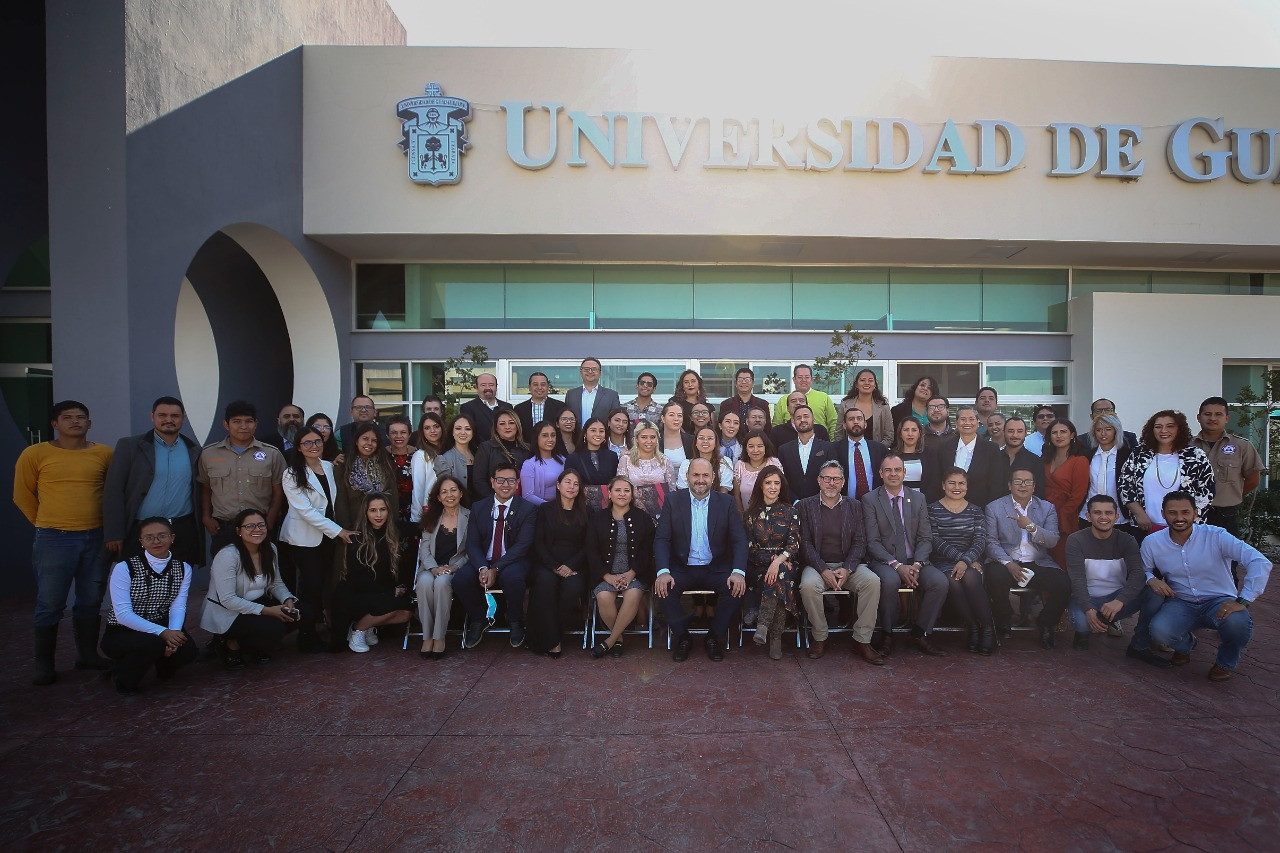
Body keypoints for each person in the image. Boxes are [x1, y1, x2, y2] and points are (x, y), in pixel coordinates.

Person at [15, 400, 115, 684]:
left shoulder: (104, 453)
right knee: (50, 602)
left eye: (81, 417)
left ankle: (86, 656)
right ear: (55, 424)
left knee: (91, 599)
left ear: (90, 423)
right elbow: (22, 495)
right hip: (54, 538)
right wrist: (45, 524)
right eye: (67, 417)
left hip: (96, 536)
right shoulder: (35, 453)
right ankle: (44, 665)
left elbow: (112, 492)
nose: (75, 422)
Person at [1137, 491, 1271, 680]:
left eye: (1185, 512)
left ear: (1195, 513)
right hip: (1181, 602)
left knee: (1238, 623)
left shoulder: (1216, 536)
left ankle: (1225, 663)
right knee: (1160, 631)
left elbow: (1259, 561)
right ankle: (1186, 646)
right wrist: (1151, 578)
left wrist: (1244, 600)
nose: (1179, 518)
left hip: (1219, 601)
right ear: (1163, 513)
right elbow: (1141, 570)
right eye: (1172, 513)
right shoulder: (1152, 542)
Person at [654, 458, 749, 661]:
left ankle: (713, 637)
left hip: (715, 567)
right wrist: (663, 572)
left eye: (705, 475)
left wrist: (738, 572)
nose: (700, 480)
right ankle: (684, 637)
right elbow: (662, 539)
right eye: (695, 475)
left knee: (736, 589)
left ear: (713, 478)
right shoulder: (672, 501)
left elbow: (739, 540)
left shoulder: (726, 502)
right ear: (687, 477)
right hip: (683, 567)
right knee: (663, 590)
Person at [796, 460, 882, 664]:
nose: (831, 483)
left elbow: (860, 542)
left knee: (872, 582)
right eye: (827, 478)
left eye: (836, 479)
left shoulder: (855, 506)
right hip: (817, 565)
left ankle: (861, 640)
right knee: (807, 586)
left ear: (843, 482)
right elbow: (805, 544)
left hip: (848, 565)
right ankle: (820, 636)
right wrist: (823, 569)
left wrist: (848, 569)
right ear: (819, 480)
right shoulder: (805, 506)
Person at [278, 424, 355, 652]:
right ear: (299, 447)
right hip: (304, 539)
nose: (314, 446)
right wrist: (338, 531)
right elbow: (306, 511)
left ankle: (324, 628)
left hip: (328, 538)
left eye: (318, 441)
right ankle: (306, 634)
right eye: (308, 443)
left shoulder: (330, 467)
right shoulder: (291, 474)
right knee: (309, 588)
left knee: (326, 585)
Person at [100, 517, 197, 694]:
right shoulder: (125, 568)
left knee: (188, 650)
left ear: (172, 537)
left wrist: (173, 634)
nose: (156, 541)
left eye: (162, 536)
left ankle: (163, 665)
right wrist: (164, 633)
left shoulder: (183, 568)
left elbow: (178, 606)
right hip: (122, 630)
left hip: (161, 624)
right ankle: (123, 677)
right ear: (141, 542)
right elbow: (122, 614)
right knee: (152, 644)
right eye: (149, 537)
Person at [103, 395, 203, 566]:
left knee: (178, 584)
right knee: (139, 586)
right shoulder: (130, 446)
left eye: (175, 416)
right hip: (140, 529)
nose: (168, 420)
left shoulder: (194, 449)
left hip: (180, 530)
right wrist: (114, 533)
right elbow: (113, 491)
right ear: (152, 417)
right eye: (162, 415)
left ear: (183, 418)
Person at [862, 452, 944, 656]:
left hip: (915, 560)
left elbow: (926, 537)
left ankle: (919, 633)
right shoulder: (870, 499)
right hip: (885, 561)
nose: (893, 474)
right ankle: (887, 634)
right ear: (880, 473)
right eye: (888, 470)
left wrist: (917, 564)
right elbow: (872, 542)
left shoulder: (918, 498)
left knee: (939, 582)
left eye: (897, 470)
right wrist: (897, 565)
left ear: (905, 473)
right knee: (889, 582)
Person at [200, 508, 305, 668]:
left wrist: (287, 599)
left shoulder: (270, 549)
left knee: (303, 612)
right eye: (250, 526)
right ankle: (230, 645)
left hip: (257, 604)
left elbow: (276, 583)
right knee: (274, 628)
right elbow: (228, 599)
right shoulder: (228, 555)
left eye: (261, 525)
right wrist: (269, 611)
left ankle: (255, 645)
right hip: (228, 612)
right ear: (238, 531)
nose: (257, 530)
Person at [983, 467, 1071, 648]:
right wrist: (1009, 564)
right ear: (1009, 485)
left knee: (1063, 583)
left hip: (1037, 562)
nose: (1023, 485)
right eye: (1018, 481)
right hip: (1006, 560)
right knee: (994, 576)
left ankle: (1046, 623)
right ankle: (1004, 618)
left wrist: (1031, 526)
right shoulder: (995, 507)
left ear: (1034, 486)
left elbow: (1053, 540)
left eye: (1028, 482)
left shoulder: (1047, 508)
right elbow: (990, 542)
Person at [457, 463, 538, 648]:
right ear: (492, 482)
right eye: (500, 480)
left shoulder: (528, 509)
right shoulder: (478, 507)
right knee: (461, 579)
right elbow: (472, 543)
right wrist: (483, 567)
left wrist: (496, 568)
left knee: (513, 578)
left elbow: (523, 545)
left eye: (510, 480)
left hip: (513, 560)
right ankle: (479, 619)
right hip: (484, 561)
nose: (505, 485)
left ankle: (516, 621)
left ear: (517, 483)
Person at [197, 400, 285, 555]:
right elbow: (205, 487)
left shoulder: (272, 454)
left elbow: (278, 491)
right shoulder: (209, 454)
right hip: (223, 527)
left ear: (256, 424)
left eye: (248, 421)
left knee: (261, 573)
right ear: (226, 424)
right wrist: (206, 517)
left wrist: (270, 520)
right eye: (236, 422)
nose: (243, 426)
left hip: (260, 525)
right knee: (225, 573)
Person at [1064, 495, 1149, 652]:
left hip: (1116, 599)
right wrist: (1088, 609)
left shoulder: (1127, 540)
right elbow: (1076, 579)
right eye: (1097, 513)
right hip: (1087, 598)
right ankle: (1086, 629)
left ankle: (1141, 641)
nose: (1103, 517)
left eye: (1108, 513)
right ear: (1088, 516)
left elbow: (1138, 574)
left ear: (1116, 517)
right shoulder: (1076, 540)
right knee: (1082, 623)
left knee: (1153, 594)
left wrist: (1119, 601)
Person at [333, 493, 413, 653]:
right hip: (356, 593)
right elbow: (356, 579)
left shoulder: (394, 530)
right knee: (392, 604)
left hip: (380, 592)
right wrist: (390, 591)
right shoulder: (356, 537)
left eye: (382, 509)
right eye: (373, 510)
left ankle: (369, 625)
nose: (378, 515)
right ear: (365, 512)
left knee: (406, 613)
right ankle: (358, 629)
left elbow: (421, 526)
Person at [586, 476, 656, 658]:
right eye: (617, 490)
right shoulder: (597, 518)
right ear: (609, 494)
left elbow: (647, 551)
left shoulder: (643, 518)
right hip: (605, 574)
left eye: (626, 490)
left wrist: (632, 573)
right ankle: (619, 640)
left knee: (632, 595)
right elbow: (591, 551)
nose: (622, 494)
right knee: (603, 597)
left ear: (632, 495)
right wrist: (606, 576)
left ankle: (610, 641)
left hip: (635, 573)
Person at [928, 468, 995, 655]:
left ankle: (988, 629)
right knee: (953, 580)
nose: (957, 487)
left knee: (971, 578)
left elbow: (980, 540)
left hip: (971, 560)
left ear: (967, 486)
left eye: (961, 483)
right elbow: (934, 540)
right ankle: (973, 626)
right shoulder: (931, 509)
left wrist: (966, 561)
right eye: (952, 483)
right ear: (943, 485)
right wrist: (961, 559)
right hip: (943, 560)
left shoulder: (975, 510)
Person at [1119, 410, 1214, 536]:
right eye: (1158, 427)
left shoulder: (1195, 455)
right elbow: (1125, 485)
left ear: (1179, 429)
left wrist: (1185, 519)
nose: (1163, 430)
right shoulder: (1139, 453)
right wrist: (1138, 513)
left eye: (1170, 426)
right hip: (1144, 527)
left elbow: (1207, 491)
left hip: (1185, 528)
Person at [526, 470, 590, 656]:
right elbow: (539, 542)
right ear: (558, 485)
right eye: (567, 482)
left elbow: (589, 545)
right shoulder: (546, 510)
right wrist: (554, 566)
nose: (571, 487)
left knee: (572, 588)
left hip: (576, 566)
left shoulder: (587, 511)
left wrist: (571, 566)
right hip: (548, 564)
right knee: (545, 583)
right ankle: (553, 640)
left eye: (576, 484)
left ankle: (552, 635)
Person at [742, 465, 801, 660]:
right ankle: (775, 638)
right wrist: (772, 560)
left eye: (776, 483)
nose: (773, 487)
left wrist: (778, 561)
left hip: (785, 564)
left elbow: (794, 543)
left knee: (781, 573)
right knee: (780, 579)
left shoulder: (791, 511)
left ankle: (763, 626)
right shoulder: (750, 514)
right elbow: (750, 548)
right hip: (759, 568)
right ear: (761, 486)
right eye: (768, 483)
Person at [413, 475, 469, 659]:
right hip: (431, 567)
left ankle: (439, 637)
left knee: (441, 583)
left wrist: (454, 567)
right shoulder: (431, 517)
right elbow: (424, 548)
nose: (449, 495)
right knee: (423, 584)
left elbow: (471, 551)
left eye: (453, 490)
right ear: (438, 497)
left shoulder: (470, 516)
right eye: (444, 492)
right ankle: (427, 636)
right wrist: (433, 568)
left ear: (460, 493)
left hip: (455, 569)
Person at [1193, 396, 1263, 537]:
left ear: (1227, 418)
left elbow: (1253, 480)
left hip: (1226, 516)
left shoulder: (1242, 446)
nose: (1213, 418)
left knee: (1228, 557)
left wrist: (1232, 494)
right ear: (1198, 418)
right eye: (1208, 414)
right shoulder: (1186, 447)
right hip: (1193, 516)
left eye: (1218, 414)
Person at [1042, 418, 1091, 568]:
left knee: (1062, 557)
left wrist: (1061, 515)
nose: (1059, 436)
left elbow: (1078, 494)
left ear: (1072, 435)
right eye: (1054, 432)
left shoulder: (1079, 460)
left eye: (1063, 432)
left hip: (1065, 515)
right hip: (1043, 512)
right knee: (1043, 555)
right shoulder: (1045, 458)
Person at [932, 405, 1003, 506]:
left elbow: (996, 484)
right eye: (963, 419)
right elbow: (937, 479)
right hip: (946, 509)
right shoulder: (944, 447)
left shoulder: (991, 449)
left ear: (978, 422)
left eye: (971, 419)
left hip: (979, 509)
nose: (967, 423)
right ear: (956, 423)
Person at [333, 421, 400, 529]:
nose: (369, 443)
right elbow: (341, 502)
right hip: (355, 527)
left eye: (374, 440)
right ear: (356, 441)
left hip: (383, 527)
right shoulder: (343, 466)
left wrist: (393, 526)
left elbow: (393, 498)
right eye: (365, 439)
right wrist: (345, 528)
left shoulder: (385, 464)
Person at [1081, 414, 1134, 535]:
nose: (1103, 433)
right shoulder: (1087, 455)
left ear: (1116, 430)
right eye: (1098, 430)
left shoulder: (1128, 455)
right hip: (1088, 515)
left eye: (1108, 429)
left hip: (1120, 515)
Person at [616, 420, 677, 517]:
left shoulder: (664, 460)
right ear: (636, 439)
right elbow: (621, 490)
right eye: (644, 437)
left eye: (653, 437)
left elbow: (672, 491)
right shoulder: (626, 460)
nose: (649, 441)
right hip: (633, 513)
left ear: (657, 439)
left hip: (661, 514)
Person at [777, 405, 836, 501]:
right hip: (792, 504)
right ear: (793, 421)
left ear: (814, 419)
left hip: (821, 503)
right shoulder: (784, 450)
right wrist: (794, 500)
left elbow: (833, 476)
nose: (802, 420)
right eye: (798, 418)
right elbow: (781, 479)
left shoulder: (828, 447)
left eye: (806, 416)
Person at [471, 410, 531, 501]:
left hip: (522, 504)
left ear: (517, 426)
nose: (507, 427)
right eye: (502, 424)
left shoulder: (527, 449)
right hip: (493, 503)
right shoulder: (486, 448)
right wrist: (497, 501)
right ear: (496, 428)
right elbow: (479, 480)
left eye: (511, 423)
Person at [830, 407, 887, 503]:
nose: (856, 422)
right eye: (851, 419)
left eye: (859, 419)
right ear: (844, 425)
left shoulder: (879, 449)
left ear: (865, 424)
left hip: (876, 504)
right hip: (845, 505)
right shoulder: (835, 449)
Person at [565, 417, 620, 508]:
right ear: (585, 434)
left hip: (608, 508)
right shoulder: (573, 458)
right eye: (593, 430)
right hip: (581, 508)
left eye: (601, 431)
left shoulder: (612, 456)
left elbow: (616, 482)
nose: (598, 434)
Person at [770, 364, 836, 436]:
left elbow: (833, 422)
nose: (803, 380)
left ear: (811, 379)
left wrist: (833, 444)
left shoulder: (824, 397)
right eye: (800, 377)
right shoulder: (784, 400)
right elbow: (776, 425)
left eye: (807, 377)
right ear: (794, 380)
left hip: (819, 442)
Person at [835, 368, 893, 445]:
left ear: (875, 385)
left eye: (870, 380)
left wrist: (878, 450)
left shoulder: (883, 407)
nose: (867, 383)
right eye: (862, 380)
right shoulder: (845, 405)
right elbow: (839, 433)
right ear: (856, 384)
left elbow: (889, 436)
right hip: (849, 452)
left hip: (876, 454)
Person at [458, 373, 514, 446]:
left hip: (506, 450)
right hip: (480, 451)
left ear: (496, 387)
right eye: (483, 385)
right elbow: (470, 432)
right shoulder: (468, 408)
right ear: (476, 387)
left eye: (491, 385)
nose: (488, 388)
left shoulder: (507, 407)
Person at [996, 416, 1046, 498]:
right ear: (1003, 432)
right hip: (995, 509)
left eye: (1019, 431)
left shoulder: (1035, 461)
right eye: (1010, 431)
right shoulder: (993, 458)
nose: (1015, 435)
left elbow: (1039, 492)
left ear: (1025, 433)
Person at [733, 430, 782, 513]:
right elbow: (736, 496)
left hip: (773, 517)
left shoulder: (773, 462)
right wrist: (742, 516)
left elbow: (781, 490)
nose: (755, 450)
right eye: (751, 446)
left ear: (765, 447)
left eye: (760, 446)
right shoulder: (740, 465)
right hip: (747, 518)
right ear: (746, 448)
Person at [564, 357, 621, 426]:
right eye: (586, 369)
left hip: (601, 436)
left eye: (594, 369)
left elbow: (615, 420)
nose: (590, 372)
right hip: (576, 436)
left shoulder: (611, 395)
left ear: (600, 373)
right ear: (581, 372)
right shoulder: (571, 394)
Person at [520, 421, 566, 505]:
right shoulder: (529, 465)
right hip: (543, 510)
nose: (550, 439)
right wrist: (550, 508)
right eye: (545, 435)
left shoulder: (563, 460)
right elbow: (528, 496)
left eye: (553, 435)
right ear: (536, 438)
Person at [892, 417, 940, 497]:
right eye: (906, 430)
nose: (910, 434)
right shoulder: (891, 455)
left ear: (920, 433)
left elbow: (934, 482)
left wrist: (922, 502)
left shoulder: (930, 453)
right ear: (900, 433)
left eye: (914, 430)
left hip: (923, 502)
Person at [408, 414, 443, 523]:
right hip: (429, 511)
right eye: (427, 428)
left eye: (436, 426)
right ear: (422, 432)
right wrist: (416, 520)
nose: (433, 431)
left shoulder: (448, 451)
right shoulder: (420, 455)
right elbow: (418, 489)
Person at [514, 371, 567, 442]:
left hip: (553, 449)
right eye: (535, 384)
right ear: (529, 387)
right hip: (527, 450)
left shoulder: (560, 407)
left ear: (548, 387)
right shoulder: (519, 409)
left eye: (543, 384)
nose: (539, 387)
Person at [677, 426, 734, 492]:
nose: (705, 441)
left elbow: (723, 494)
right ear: (696, 442)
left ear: (716, 443)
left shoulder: (725, 462)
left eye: (710, 438)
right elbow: (683, 493)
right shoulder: (686, 464)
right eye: (701, 438)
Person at [434, 414, 477, 498]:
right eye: (458, 428)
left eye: (468, 429)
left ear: (473, 432)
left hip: (480, 507)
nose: (463, 432)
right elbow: (445, 492)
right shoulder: (443, 459)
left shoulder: (480, 454)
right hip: (458, 508)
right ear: (452, 432)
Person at [385, 416, 417, 523]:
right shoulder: (381, 456)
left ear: (409, 434)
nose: (399, 436)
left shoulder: (419, 455)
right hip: (387, 512)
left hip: (414, 512)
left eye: (403, 432)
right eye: (394, 432)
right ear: (387, 435)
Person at [658, 401, 695, 468]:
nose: (676, 419)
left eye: (679, 415)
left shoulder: (691, 440)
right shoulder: (655, 440)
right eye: (671, 415)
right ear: (663, 418)